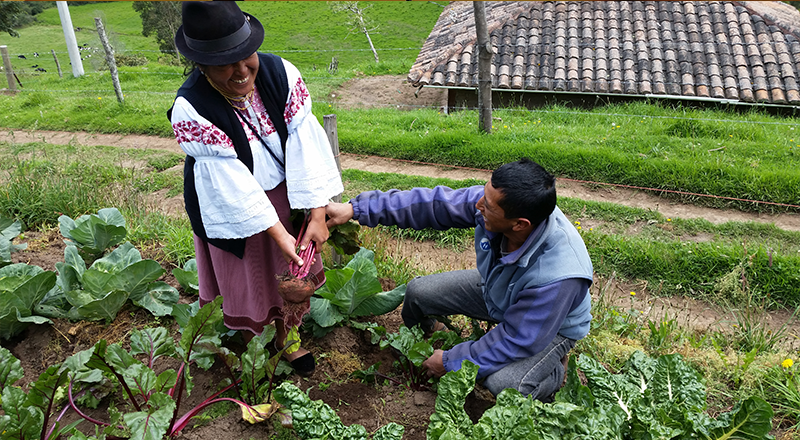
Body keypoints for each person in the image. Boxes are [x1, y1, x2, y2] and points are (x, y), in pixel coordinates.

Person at [168, 1, 343, 377]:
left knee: (291, 273)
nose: (241, 70)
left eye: (246, 56)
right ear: (201, 64)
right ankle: (254, 343)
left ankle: (288, 338)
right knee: (251, 275)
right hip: (230, 203)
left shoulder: (281, 73)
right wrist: (277, 234)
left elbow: (304, 140)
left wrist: (315, 212)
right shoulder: (191, 106)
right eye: (225, 63)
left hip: (287, 192)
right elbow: (231, 183)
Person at [325, 158, 593, 399]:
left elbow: (518, 337)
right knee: (418, 292)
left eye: (487, 206)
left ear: (520, 224)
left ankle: (555, 373)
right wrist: (356, 209)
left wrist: (452, 361)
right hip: (499, 290)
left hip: (549, 327)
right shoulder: (497, 202)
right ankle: (432, 336)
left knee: (505, 386)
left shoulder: (560, 274)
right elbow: (431, 205)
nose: (478, 206)